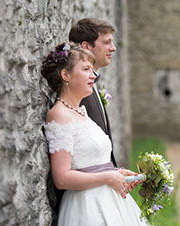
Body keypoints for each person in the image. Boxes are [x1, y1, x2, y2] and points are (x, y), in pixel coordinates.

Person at [42, 43, 148, 225]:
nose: (94, 75)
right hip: (87, 206)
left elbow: (91, 162)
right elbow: (61, 178)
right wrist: (108, 177)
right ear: (65, 75)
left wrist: (118, 173)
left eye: (92, 69)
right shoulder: (59, 115)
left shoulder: (81, 112)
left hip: (109, 200)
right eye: (86, 69)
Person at [68, 18, 117, 167]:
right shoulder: (77, 91)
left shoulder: (91, 84)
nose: (113, 48)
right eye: (107, 42)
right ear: (87, 46)